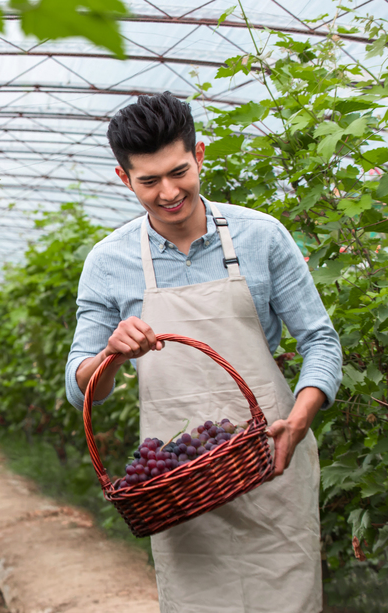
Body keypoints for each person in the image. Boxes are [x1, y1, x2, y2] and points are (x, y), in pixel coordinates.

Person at [64, 92, 342, 612]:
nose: (169, 193)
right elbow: (81, 385)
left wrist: (300, 419)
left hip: (269, 460)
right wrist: (112, 355)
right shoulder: (109, 262)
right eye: (149, 181)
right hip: (177, 486)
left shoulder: (261, 237)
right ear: (125, 180)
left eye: (179, 172)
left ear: (200, 155)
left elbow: (320, 341)